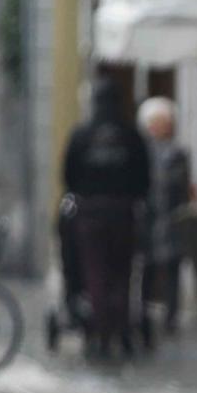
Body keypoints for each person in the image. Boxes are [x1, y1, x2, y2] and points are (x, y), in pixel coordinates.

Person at [63, 79, 150, 359]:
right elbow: (144, 175)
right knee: (122, 274)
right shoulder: (131, 135)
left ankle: (99, 332)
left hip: (90, 212)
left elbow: (68, 174)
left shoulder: (82, 134)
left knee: (95, 272)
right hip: (123, 211)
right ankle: (120, 329)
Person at [138, 97, 194, 337]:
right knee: (147, 267)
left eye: (163, 122)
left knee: (172, 267)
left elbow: (181, 184)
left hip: (172, 218)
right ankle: (143, 313)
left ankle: (171, 315)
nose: (159, 127)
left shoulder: (177, 152)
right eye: (155, 122)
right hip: (149, 219)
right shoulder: (141, 151)